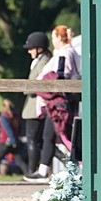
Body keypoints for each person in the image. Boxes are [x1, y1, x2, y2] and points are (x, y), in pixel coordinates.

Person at [25, 25, 80, 181]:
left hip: (59, 101)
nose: (53, 41)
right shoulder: (71, 53)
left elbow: (60, 76)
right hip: (61, 100)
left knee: (61, 136)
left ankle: (74, 166)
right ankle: (44, 170)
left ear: (58, 38)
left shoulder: (64, 54)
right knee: (50, 136)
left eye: (54, 37)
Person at [20, 31, 51, 176]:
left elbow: (37, 81)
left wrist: (26, 88)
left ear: (40, 48)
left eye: (31, 48)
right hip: (32, 104)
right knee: (37, 140)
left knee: (33, 139)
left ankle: (32, 171)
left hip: (35, 105)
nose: (29, 51)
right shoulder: (38, 61)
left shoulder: (44, 61)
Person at [0, 99, 22, 174]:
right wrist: (15, 140)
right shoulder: (15, 116)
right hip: (14, 140)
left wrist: (12, 140)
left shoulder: (4, 116)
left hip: (4, 141)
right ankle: (28, 172)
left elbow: (8, 129)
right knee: (19, 159)